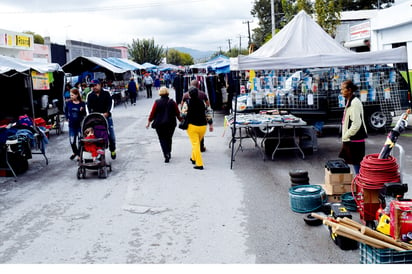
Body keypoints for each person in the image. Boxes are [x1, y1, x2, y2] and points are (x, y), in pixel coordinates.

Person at [338, 80, 368, 175]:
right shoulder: (350, 101)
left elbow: (356, 124)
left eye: (343, 89)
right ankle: (359, 181)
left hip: (355, 138)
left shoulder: (354, 102)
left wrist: (346, 135)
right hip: (352, 138)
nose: (341, 91)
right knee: (355, 162)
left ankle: (360, 183)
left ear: (349, 90)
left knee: (357, 163)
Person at [146, 86, 182, 163]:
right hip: (171, 124)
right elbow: (177, 113)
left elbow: (152, 113)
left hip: (159, 124)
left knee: (162, 139)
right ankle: (168, 151)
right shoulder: (172, 102)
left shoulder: (157, 102)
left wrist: (149, 122)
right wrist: (181, 120)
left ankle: (166, 153)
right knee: (169, 138)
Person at [181, 87, 213, 170]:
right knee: (197, 142)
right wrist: (210, 123)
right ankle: (193, 158)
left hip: (192, 126)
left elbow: (183, 114)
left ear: (189, 94)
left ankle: (199, 164)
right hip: (203, 126)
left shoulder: (187, 103)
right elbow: (208, 113)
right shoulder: (202, 102)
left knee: (195, 144)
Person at [86, 79, 117, 160]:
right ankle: (99, 152)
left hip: (106, 117)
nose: (94, 87)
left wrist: (107, 112)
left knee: (111, 135)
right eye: (92, 86)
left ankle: (112, 149)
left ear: (100, 85)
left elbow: (111, 103)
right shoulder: (90, 95)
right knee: (97, 136)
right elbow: (88, 107)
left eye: (95, 85)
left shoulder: (106, 93)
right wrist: (90, 116)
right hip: (95, 119)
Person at [182, 79, 210, 152]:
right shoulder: (203, 94)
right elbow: (207, 104)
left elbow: (182, 105)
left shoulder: (186, 94)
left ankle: (196, 148)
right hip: (201, 117)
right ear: (198, 85)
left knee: (194, 134)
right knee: (200, 133)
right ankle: (201, 146)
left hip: (190, 118)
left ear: (190, 85)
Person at [64, 87, 86, 160]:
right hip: (72, 125)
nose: (71, 97)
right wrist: (67, 118)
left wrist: (82, 110)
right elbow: (66, 110)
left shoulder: (82, 103)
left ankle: (79, 155)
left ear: (77, 95)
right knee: (72, 141)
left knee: (80, 141)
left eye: (72, 95)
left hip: (80, 125)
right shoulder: (68, 103)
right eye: (70, 95)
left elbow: (85, 114)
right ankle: (75, 152)